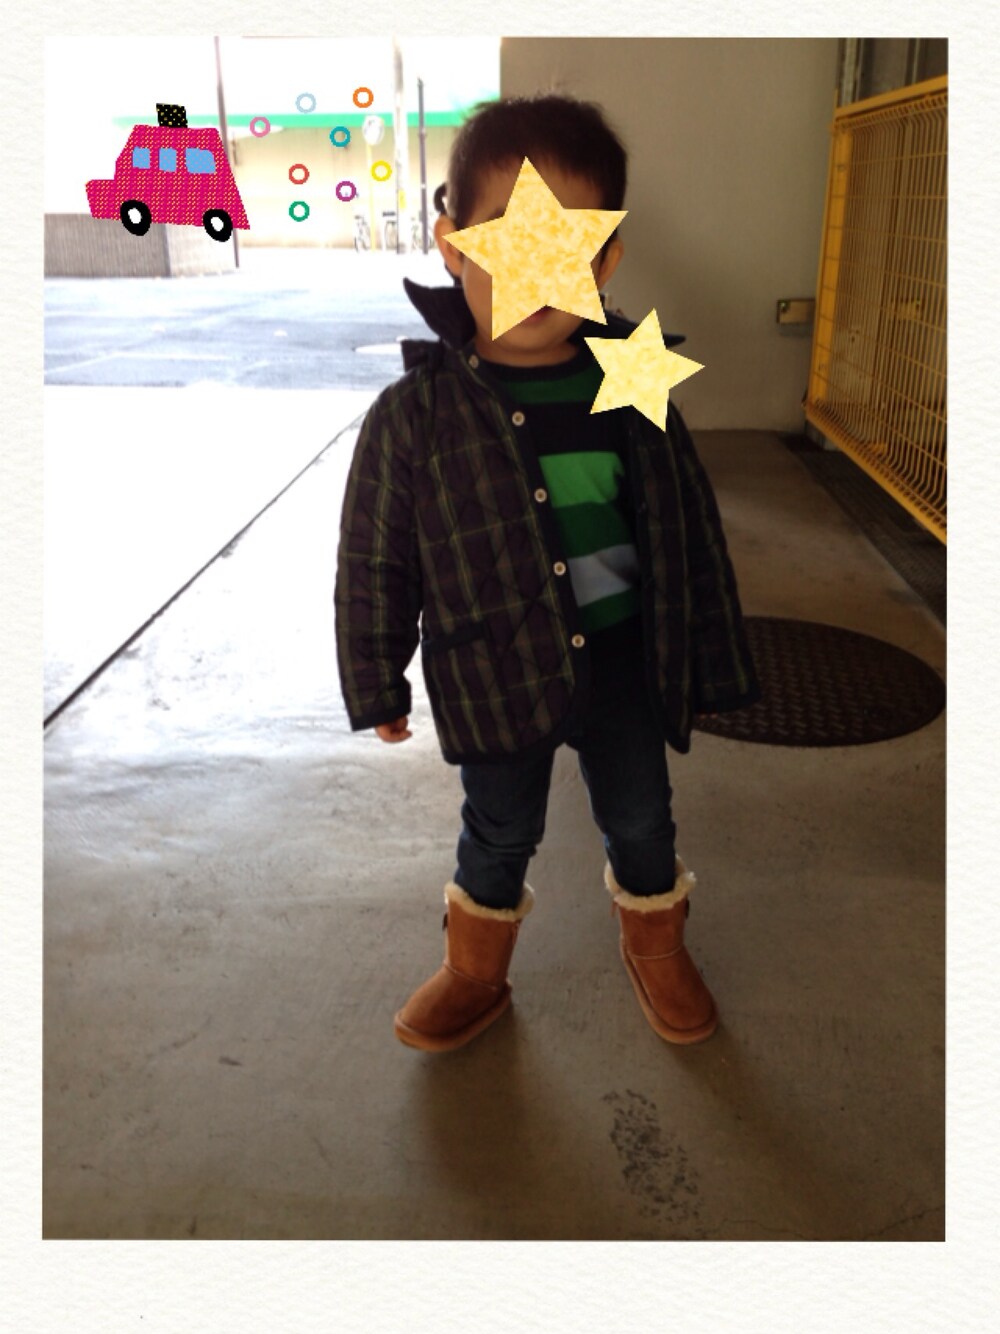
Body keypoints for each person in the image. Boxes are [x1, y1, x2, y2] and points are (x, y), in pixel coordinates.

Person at [335, 94, 759, 1053]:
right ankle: (474, 972)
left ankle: (657, 948)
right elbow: (374, 559)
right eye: (509, 241)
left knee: (643, 820)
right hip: (494, 670)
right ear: (454, 246)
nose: (534, 276)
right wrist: (376, 680)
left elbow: (690, 530)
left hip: (623, 667)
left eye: (563, 246)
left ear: (603, 263)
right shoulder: (414, 417)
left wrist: (711, 656)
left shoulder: (634, 385)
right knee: (497, 828)